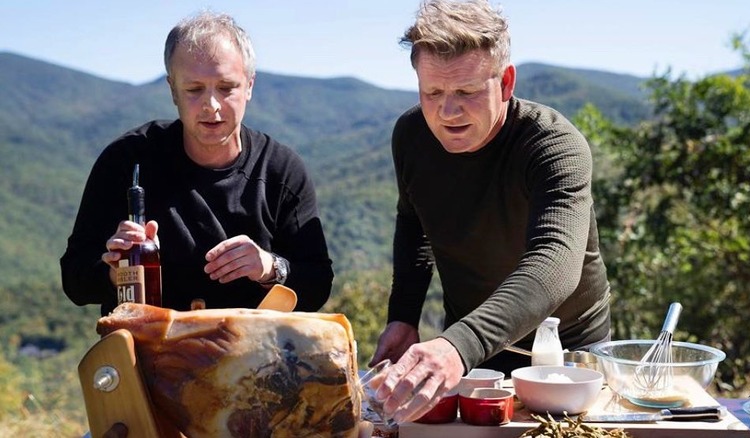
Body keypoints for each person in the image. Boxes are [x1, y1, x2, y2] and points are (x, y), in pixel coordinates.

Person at [368, 0, 611, 423]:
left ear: (506, 81)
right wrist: (403, 317)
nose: (447, 112)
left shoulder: (553, 146)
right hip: (473, 355)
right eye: (433, 93)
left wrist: (457, 344)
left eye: (466, 91)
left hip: (568, 358)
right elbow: (414, 223)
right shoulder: (410, 135)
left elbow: (554, 262)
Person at [60, 11, 334, 316]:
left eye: (226, 87)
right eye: (194, 89)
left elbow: (318, 284)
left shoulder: (281, 170)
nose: (211, 105)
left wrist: (270, 268)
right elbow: (74, 279)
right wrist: (119, 270)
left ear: (249, 86)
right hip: (146, 356)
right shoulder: (127, 160)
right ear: (172, 90)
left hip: (252, 357)